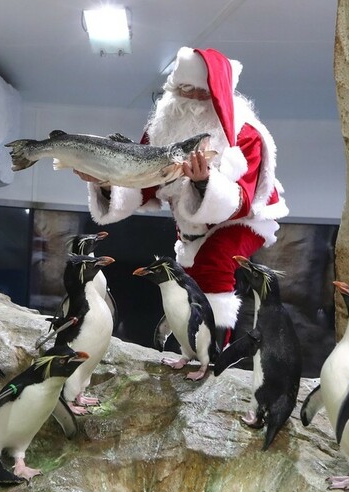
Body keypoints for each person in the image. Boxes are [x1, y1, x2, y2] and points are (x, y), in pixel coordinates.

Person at [76, 46, 288, 357]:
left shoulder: (246, 134)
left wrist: (204, 183)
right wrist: (106, 182)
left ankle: (213, 350)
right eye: (185, 89)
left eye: (202, 92)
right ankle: (188, 344)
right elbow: (143, 183)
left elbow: (242, 200)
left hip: (245, 218)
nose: (193, 98)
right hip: (191, 223)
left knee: (214, 264)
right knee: (186, 278)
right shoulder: (161, 127)